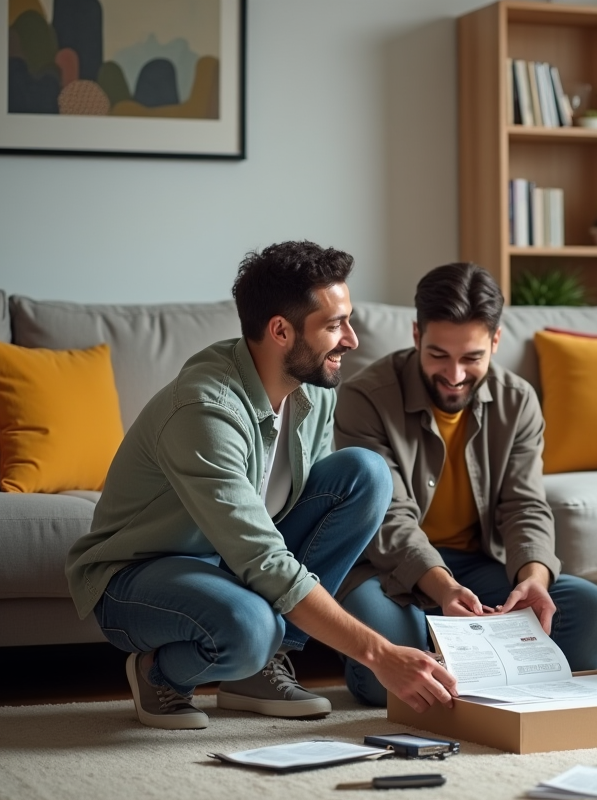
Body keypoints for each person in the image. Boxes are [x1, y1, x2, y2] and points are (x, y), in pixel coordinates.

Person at [66, 241, 457, 730]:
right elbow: (263, 558)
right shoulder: (204, 410)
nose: (352, 339)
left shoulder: (314, 388)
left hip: (227, 564)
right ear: (280, 330)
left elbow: (291, 532)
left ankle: (260, 668)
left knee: (366, 473)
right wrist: (379, 654)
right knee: (250, 628)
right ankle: (160, 673)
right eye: (335, 325)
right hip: (139, 575)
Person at [333, 261, 597, 706]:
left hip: (479, 568)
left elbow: (524, 505)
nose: (455, 375)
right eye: (438, 355)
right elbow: (390, 518)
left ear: (496, 341)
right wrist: (444, 590)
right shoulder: (364, 397)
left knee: (591, 615)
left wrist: (533, 579)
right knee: (379, 684)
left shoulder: (518, 400)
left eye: (472, 357)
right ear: (416, 336)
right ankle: (453, 655)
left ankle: (456, 659)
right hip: (388, 572)